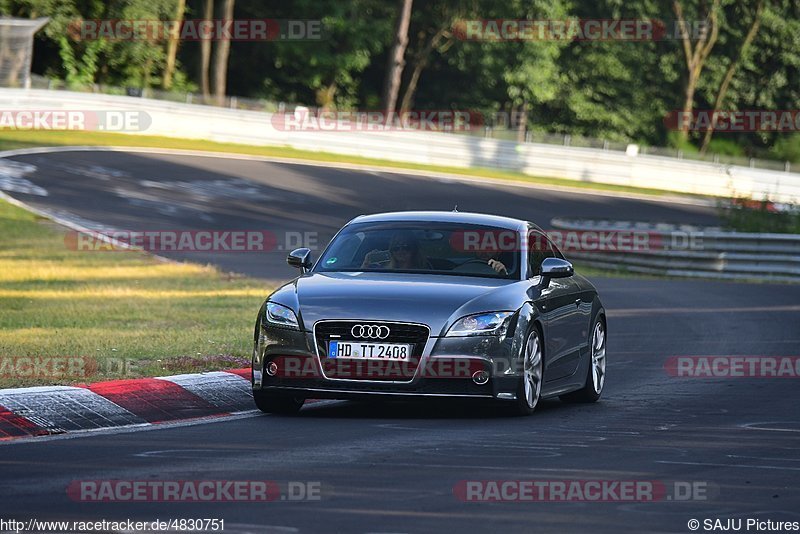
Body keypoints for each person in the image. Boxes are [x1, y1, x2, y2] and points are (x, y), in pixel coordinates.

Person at [362, 231, 426, 270]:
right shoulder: (381, 270)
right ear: (391, 250)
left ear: (414, 248)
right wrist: (365, 264)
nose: (400, 250)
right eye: (396, 247)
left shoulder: (424, 273)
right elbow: (360, 282)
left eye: (405, 247)